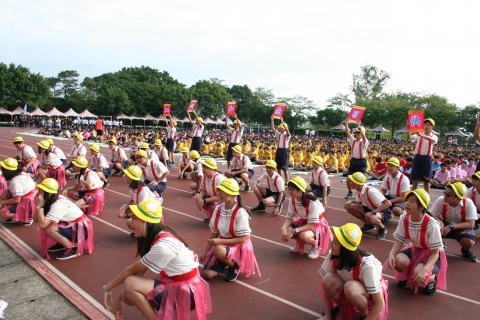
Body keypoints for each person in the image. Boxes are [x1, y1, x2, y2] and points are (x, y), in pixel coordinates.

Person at [102, 199, 212, 320]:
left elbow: (131, 271)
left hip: (186, 292)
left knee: (129, 283)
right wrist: (120, 298)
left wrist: (107, 288)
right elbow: (140, 271)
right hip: (181, 284)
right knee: (127, 295)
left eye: (135, 219)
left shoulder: (162, 246)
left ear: (147, 223)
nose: (132, 224)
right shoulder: (160, 235)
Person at [318, 223, 388, 320]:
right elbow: (325, 285)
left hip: (369, 293)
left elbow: (379, 304)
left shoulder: (367, 266)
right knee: (327, 279)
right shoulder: (333, 255)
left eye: (335, 242)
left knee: (350, 287)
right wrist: (327, 315)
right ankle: (343, 308)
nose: (331, 244)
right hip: (351, 287)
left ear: (345, 248)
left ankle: (364, 315)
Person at [386, 189, 447, 296]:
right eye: (407, 200)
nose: (407, 203)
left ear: (422, 206)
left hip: (431, 253)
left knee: (419, 271)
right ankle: (406, 276)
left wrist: (425, 270)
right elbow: (400, 239)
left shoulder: (432, 224)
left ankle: (432, 279)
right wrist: (391, 253)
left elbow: (435, 253)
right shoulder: (404, 218)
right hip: (415, 249)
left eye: (412, 201)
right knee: (398, 261)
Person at [200, 178, 261, 282]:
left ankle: (234, 266)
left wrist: (220, 242)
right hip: (223, 246)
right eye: (219, 190)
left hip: (238, 246)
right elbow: (215, 232)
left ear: (232, 195)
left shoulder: (240, 213)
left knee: (218, 250)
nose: (219, 193)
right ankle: (226, 262)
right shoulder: (218, 209)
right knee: (208, 275)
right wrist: (205, 251)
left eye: (223, 191)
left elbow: (242, 239)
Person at [34, 178, 94, 260]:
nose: (38, 193)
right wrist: (39, 206)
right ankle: (62, 243)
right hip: (72, 225)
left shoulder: (58, 204)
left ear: (49, 193)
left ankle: (72, 248)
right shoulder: (51, 199)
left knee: (50, 229)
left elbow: (42, 224)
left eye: (41, 190)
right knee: (50, 225)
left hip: (81, 230)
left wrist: (40, 206)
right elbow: (35, 220)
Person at [280, 176, 331, 259]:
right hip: (304, 222)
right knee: (285, 232)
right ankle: (299, 243)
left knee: (303, 236)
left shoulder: (312, 202)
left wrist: (295, 230)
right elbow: (289, 218)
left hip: (317, 225)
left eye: (293, 189)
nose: (290, 191)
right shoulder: (292, 200)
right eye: (289, 189)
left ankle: (316, 245)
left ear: (300, 190)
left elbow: (311, 225)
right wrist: (283, 227)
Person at [429, 182, 477, 262]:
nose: (445, 196)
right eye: (445, 192)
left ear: (458, 197)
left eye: (449, 195)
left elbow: (471, 224)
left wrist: (451, 227)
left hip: (461, 227)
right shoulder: (441, 200)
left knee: (468, 241)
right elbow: (432, 214)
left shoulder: (468, 203)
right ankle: (439, 245)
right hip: (445, 224)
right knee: (430, 228)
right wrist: (439, 221)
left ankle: (466, 250)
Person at [344, 172, 392, 239]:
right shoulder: (359, 190)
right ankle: (369, 225)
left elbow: (388, 203)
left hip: (383, 211)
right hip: (370, 209)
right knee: (349, 207)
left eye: (351, 181)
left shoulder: (371, 191)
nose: (350, 183)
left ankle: (382, 228)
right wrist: (351, 201)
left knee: (370, 216)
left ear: (356, 183)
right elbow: (358, 202)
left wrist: (374, 212)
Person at [118, 166, 163, 237]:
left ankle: (146, 232)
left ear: (131, 178)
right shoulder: (134, 188)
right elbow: (132, 200)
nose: (125, 177)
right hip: (145, 212)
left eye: (127, 175)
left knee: (130, 222)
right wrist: (124, 209)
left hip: (151, 216)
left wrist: (126, 215)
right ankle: (142, 230)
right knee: (124, 207)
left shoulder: (143, 192)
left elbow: (144, 211)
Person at [0, 158, 37, 226]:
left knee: (3, 213)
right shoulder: (20, 173)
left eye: (2, 169)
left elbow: (17, 200)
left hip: (27, 200)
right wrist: (6, 191)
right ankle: (18, 213)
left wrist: (2, 202)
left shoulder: (16, 181)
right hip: (28, 196)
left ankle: (27, 215)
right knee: (4, 195)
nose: (1, 171)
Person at [406, 118, 437, 194]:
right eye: (425, 124)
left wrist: (421, 135)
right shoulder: (419, 134)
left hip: (427, 159)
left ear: (432, 127)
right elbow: (409, 138)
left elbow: (432, 140)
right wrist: (408, 129)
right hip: (417, 158)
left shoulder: (434, 136)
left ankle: (427, 199)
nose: (426, 126)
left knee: (426, 181)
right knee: (415, 180)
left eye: (428, 125)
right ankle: (411, 196)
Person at [193, 158, 226, 223]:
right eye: (203, 167)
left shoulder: (219, 179)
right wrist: (199, 197)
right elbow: (203, 190)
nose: (203, 169)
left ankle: (221, 220)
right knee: (198, 198)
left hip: (225, 199)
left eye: (206, 167)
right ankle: (212, 217)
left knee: (213, 206)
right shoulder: (205, 177)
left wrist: (204, 200)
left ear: (212, 169)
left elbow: (220, 197)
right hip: (214, 197)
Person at [344, 120, 369, 199]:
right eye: (356, 133)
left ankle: (360, 195)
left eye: (359, 133)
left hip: (361, 162)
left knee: (360, 180)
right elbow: (348, 133)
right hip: (354, 161)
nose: (357, 134)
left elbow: (364, 138)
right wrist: (346, 123)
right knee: (348, 179)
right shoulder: (353, 141)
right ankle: (350, 192)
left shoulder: (365, 142)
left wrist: (359, 126)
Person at [270, 116, 290, 181]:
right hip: (279, 150)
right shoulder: (279, 134)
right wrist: (272, 120)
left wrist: (282, 122)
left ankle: (287, 181)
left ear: (284, 129)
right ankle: (280, 179)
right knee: (278, 167)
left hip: (284, 151)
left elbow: (287, 131)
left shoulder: (287, 135)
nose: (280, 129)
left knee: (285, 168)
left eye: (281, 128)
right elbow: (273, 129)